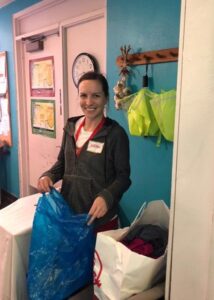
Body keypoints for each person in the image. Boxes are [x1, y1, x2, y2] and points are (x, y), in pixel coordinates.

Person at [37, 71, 131, 231]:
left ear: (106, 98)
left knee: (95, 257)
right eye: (83, 95)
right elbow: (62, 163)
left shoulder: (115, 134)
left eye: (96, 95)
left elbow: (123, 177)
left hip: (100, 220)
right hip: (69, 215)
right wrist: (48, 175)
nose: (89, 102)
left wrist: (107, 197)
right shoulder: (71, 127)